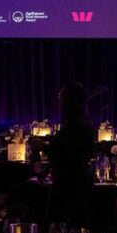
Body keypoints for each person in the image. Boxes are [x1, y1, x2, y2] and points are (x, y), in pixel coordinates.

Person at [45, 82, 97, 225]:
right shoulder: (81, 120)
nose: (60, 103)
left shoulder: (76, 123)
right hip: (78, 178)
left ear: (73, 100)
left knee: (62, 223)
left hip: (70, 181)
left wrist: (44, 147)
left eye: (63, 99)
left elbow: (67, 153)